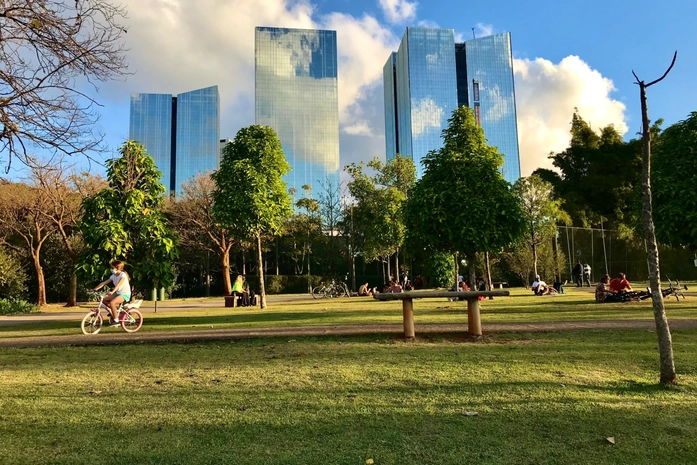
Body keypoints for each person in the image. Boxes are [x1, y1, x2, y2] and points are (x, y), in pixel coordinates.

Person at [92, 260, 131, 325]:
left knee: (112, 303)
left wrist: (112, 291)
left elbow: (119, 284)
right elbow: (104, 283)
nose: (111, 269)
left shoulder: (123, 275)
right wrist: (95, 289)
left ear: (118, 268)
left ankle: (116, 320)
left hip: (125, 294)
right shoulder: (113, 276)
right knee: (103, 300)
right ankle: (113, 311)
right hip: (118, 293)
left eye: (112, 268)